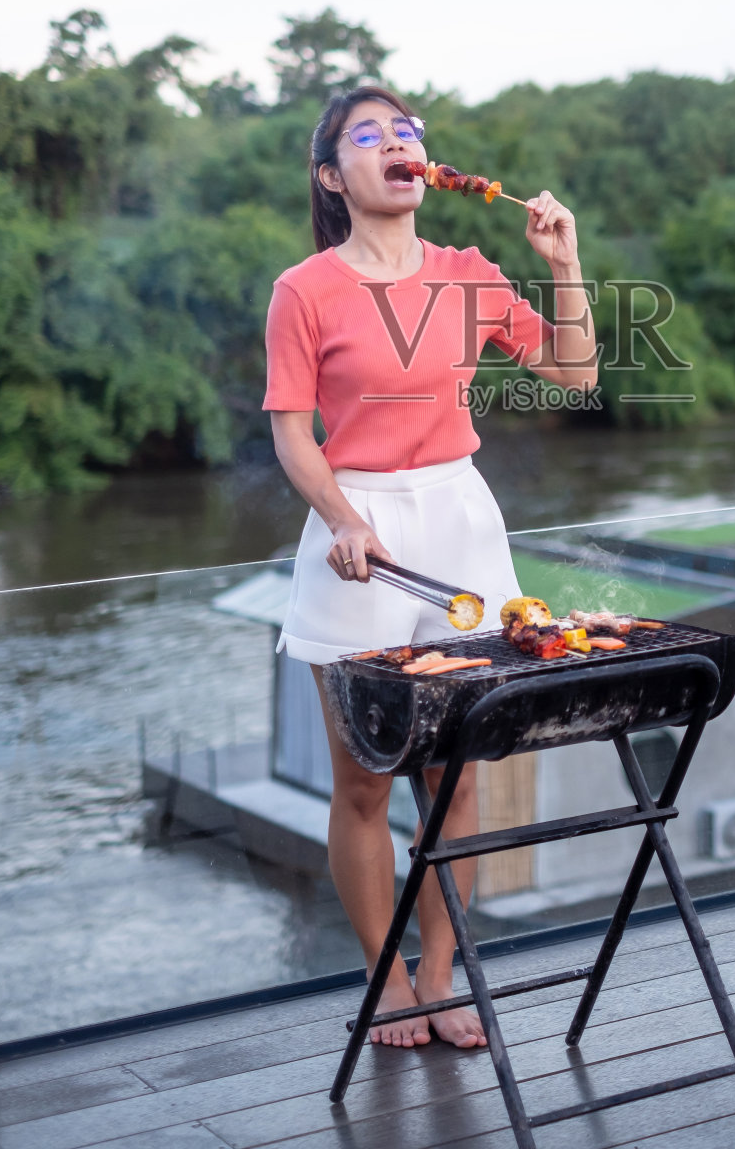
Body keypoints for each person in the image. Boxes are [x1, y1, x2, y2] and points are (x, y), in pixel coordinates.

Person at [263, 84, 597, 1049]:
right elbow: (293, 434)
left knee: (454, 777)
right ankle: (384, 979)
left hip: (460, 520)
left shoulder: (467, 270)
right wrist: (340, 517)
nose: (396, 145)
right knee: (366, 780)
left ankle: (442, 973)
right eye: (369, 136)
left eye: (406, 132)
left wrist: (564, 264)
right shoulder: (305, 288)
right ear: (334, 175)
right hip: (355, 532)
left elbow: (574, 376)